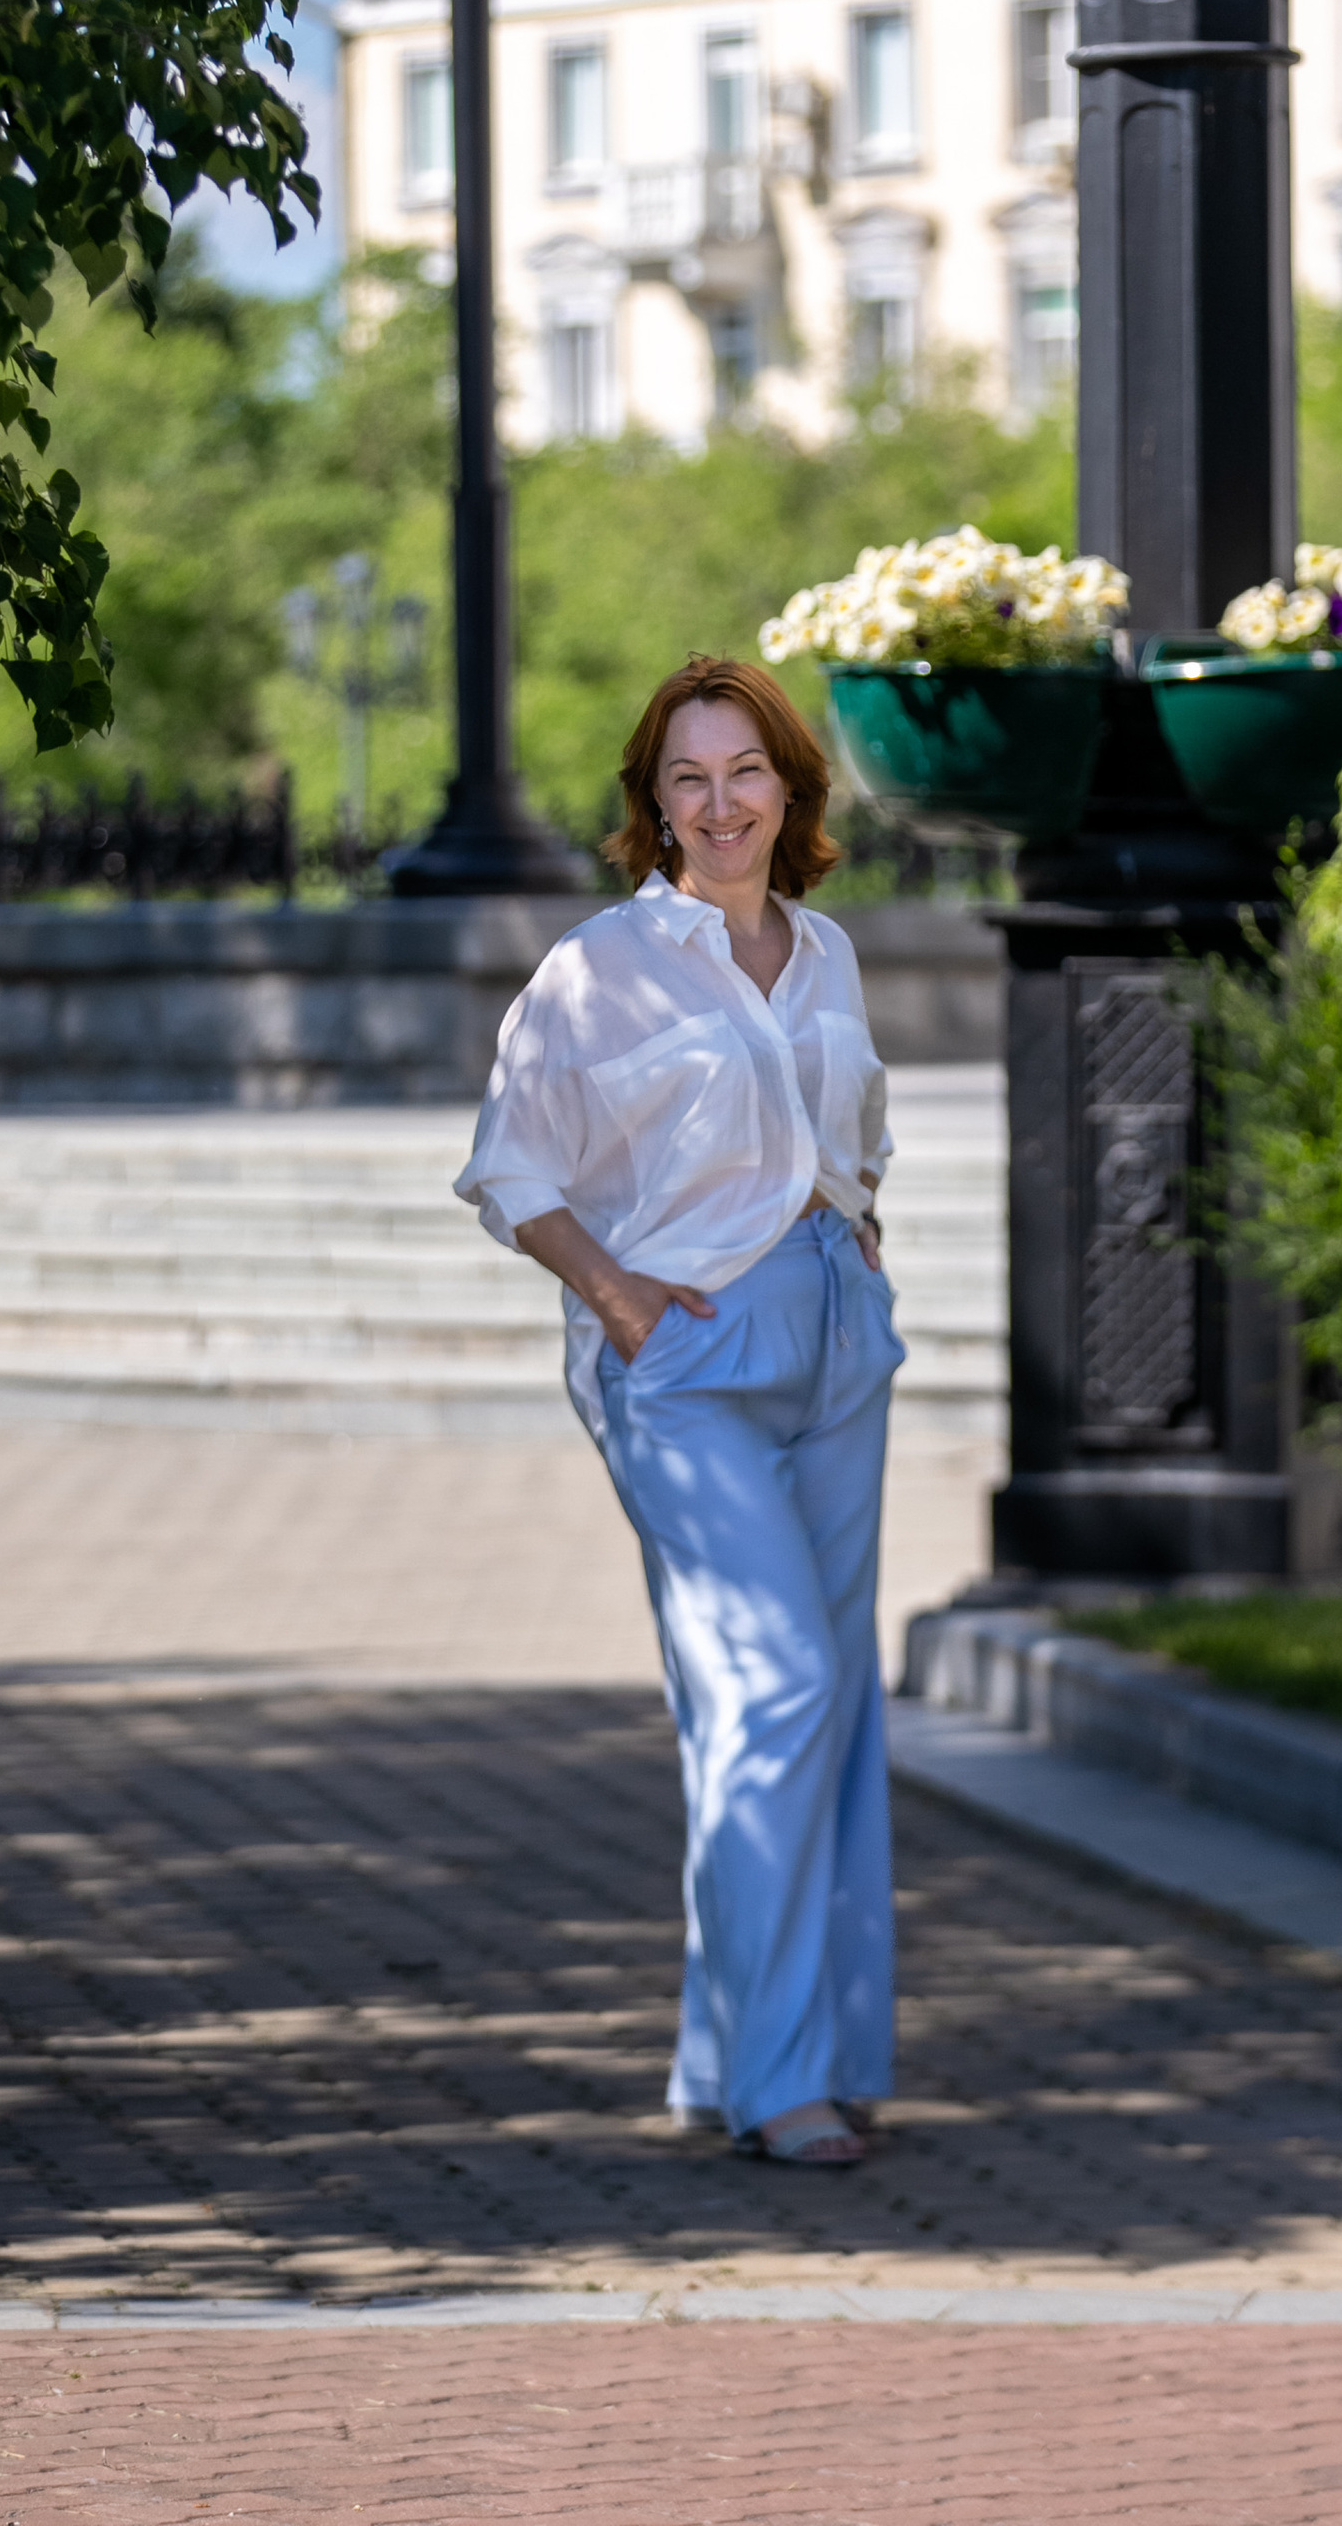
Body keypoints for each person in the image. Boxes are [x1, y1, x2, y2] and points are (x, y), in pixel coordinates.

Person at [454, 654, 902, 2169]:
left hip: (839, 1336)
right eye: (688, 781)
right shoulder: (598, 968)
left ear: (794, 790)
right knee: (773, 1683)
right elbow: (511, 1166)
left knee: (816, 1702)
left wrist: (862, 1238)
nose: (721, 806)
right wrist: (619, 1300)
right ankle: (779, 2082)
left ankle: (767, 2052)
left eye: (747, 773)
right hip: (690, 1358)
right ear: (654, 805)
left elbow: (857, 1131)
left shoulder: (827, 953)